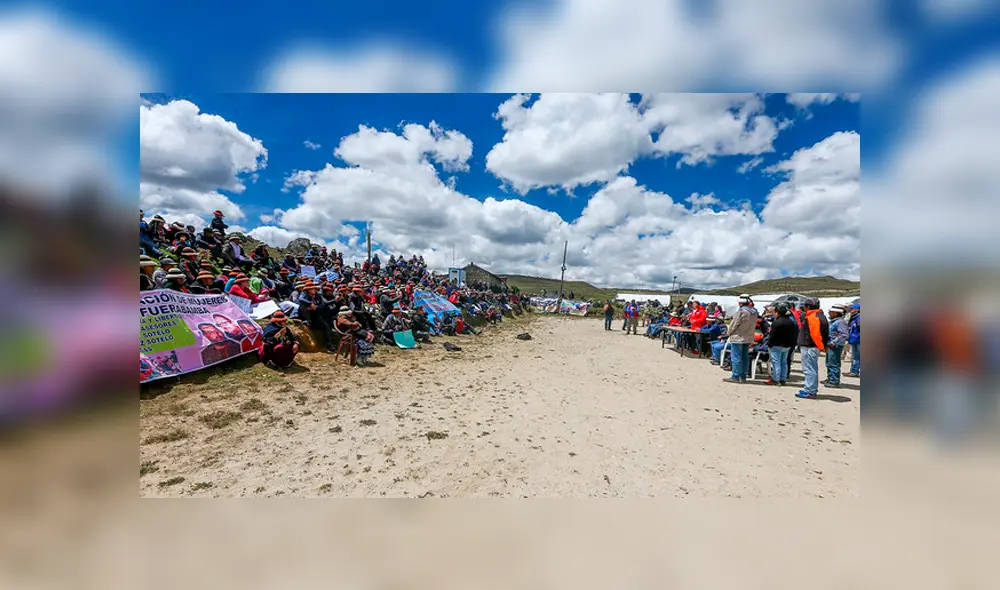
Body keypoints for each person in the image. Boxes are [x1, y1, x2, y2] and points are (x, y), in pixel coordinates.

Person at [795, 298, 829, 399]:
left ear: (808, 307)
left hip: (809, 346)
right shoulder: (820, 315)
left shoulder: (812, 317)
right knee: (812, 368)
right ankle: (810, 388)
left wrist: (821, 346)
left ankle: (810, 390)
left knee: (809, 369)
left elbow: (816, 335)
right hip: (812, 346)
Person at [724, 295, 758, 383]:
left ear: (740, 303)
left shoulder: (741, 311)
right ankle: (743, 376)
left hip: (738, 336)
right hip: (748, 336)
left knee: (736, 357)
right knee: (745, 357)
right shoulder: (754, 312)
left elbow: (734, 324)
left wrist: (728, 333)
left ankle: (735, 376)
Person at [765, 304, 797, 386]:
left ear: (777, 313)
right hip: (787, 345)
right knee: (784, 362)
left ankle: (776, 379)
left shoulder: (776, 322)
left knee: (776, 363)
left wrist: (769, 344)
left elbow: (772, 335)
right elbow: (794, 334)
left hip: (776, 345)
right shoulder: (791, 322)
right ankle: (783, 379)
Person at [824, 304, 849, 388]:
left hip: (835, 346)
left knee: (834, 363)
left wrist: (834, 342)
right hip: (830, 345)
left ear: (836, 313)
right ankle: (830, 378)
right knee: (829, 363)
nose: (829, 313)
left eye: (831, 312)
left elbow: (844, 334)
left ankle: (834, 380)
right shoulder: (834, 321)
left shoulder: (840, 322)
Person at [846, 304, 861, 377]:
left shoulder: (859, 318)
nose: (850, 310)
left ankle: (854, 372)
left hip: (858, 340)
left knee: (856, 357)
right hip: (854, 339)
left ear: (857, 310)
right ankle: (854, 371)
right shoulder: (854, 318)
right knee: (855, 356)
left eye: (852, 309)